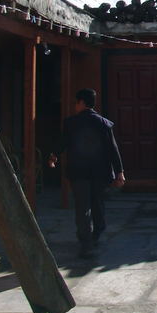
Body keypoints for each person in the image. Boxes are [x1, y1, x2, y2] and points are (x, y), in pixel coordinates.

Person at [49, 88, 124, 258]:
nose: (75, 105)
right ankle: (97, 233)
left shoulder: (71, 123)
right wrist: (119, 171)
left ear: (82, 102)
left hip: (79, 171)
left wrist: (54, 155)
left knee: (83, 207)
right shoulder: (104, 123)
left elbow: (63, 143)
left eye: (76, 102)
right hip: (100, 172)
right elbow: (113, 149)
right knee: (98, 203)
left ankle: (86, 242)